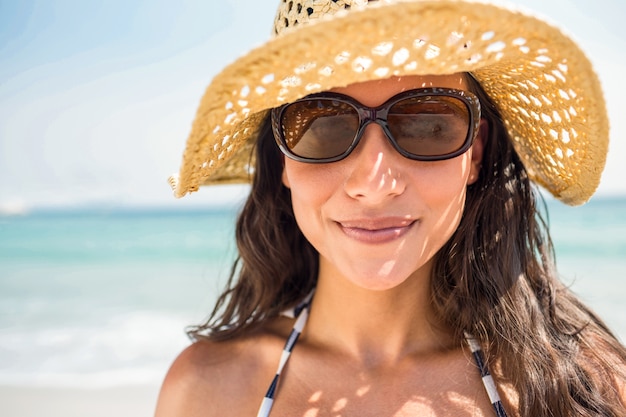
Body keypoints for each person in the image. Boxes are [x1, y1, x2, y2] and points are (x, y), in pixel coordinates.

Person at [156, 1, 626, 416]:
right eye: (324, 126)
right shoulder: (205, 392)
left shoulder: (584, 391)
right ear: (283, 157)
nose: (375, 186)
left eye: (426, 125)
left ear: (475, 153)